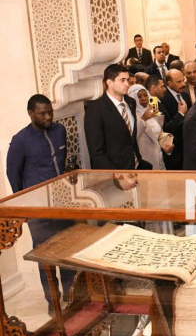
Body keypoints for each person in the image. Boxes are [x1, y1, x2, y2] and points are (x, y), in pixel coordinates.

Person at [6, 94, 76, 314]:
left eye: (50, 112)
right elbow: (13, 174)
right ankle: (52, 302)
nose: (47, 117)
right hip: (38, 211)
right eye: (42, 113)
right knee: (46, 257)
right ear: (31, 114)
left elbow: (63, 164)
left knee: (67, 252)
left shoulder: (59, 131)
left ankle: (71, 296)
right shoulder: (20, 140)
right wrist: (26, 205)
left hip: (62, 205)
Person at [84, 64, 151, 170]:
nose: (127, 84)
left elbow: (130, 139)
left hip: (136, 166)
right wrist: (116, 175)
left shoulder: (131, 102)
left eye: (128, 80)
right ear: (109, 82)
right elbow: (96, 152)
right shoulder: (95, 109)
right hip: (115, 172)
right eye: (122, 80)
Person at [127, 84, 171, 170]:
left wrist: (167, 145)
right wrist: (143, 119)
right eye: (139, 96)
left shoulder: (152, 111)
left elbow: (159, 133)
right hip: (146, 162)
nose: (143, 98)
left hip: (160, 160)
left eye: (145, 95)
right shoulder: (131, 115)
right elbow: (132, 138)